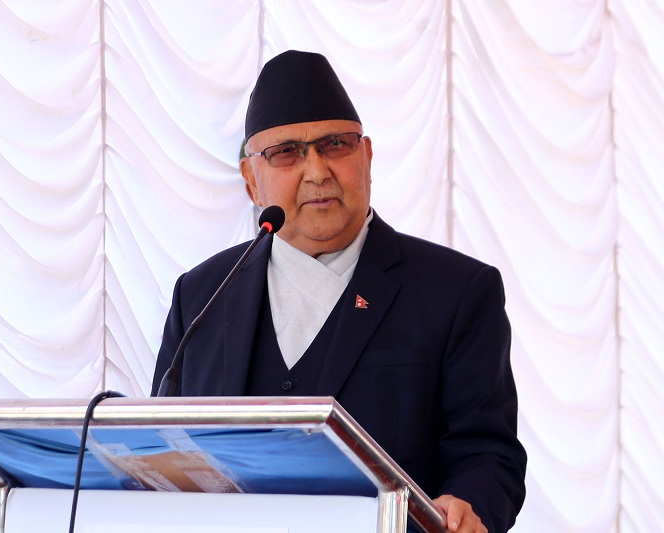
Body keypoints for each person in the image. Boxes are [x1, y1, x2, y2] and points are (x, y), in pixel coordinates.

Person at [152, 50, 526, 533]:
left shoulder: (455, 291)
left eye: (335, 145)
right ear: (251, 182)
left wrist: (467, 503)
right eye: (286, 152)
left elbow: (488, 454)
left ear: (366, 158)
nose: (317, 171)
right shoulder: (201, 295)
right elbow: (163, 447)